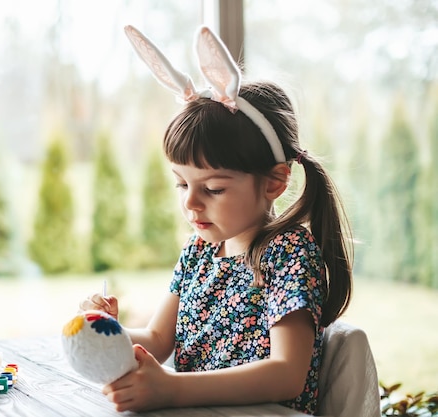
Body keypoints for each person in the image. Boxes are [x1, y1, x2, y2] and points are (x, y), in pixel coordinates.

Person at [78, 25, 353, 415]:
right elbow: (157, 338)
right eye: (181, 184)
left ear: (275, 181)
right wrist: (105, 332)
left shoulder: (288, 254)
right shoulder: (199, 252)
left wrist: (172, 389)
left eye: (214, 189)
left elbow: (286, 373)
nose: (191, 202)